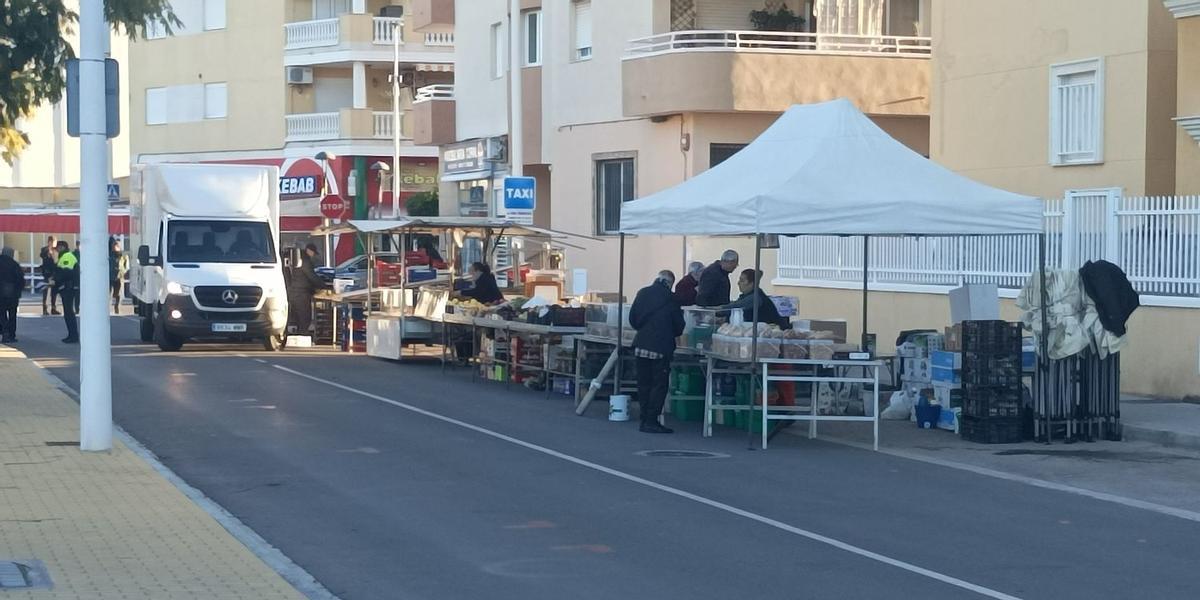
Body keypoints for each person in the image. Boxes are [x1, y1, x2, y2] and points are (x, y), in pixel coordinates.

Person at [629, 270, 686, 434]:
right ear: (670, 283)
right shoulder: (671, 298)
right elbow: (679, 326)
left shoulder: (643, 292)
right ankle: (651, 420)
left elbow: (633, 319)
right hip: (661, 346)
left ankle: (644, 415)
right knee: (659, 384)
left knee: (644, 383)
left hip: (641, 344)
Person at [722, 268, 787, 328]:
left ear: (751, 284)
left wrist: (716, 309)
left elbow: (736, 306)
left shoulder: (755, 297)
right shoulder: (747, 296)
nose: (738, 283)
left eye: (742, 280)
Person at [288, 243, 329, 333]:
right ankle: (302, 335)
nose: (313, 255)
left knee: (298, 318)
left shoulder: (298, 259)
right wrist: (324, 286)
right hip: (301, 293)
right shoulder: (305, 261)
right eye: (313, 253)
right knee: (305, 317)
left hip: (294, 292)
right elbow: (312, 276)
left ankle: (298, 335)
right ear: (309, 251)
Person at [55, 241, 79, 344]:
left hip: (68, 288)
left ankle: (73, 336)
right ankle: (71, 335)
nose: (57, 250)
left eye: (58, 248)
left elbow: (66, 272)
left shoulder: (67, 256)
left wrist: (56, 279)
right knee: (68, 313)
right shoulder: (64, 256)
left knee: (69, 313)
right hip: (67, 288)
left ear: (63, 247)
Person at [0, 247, 25, 343]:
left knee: (1, 314)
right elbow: (21, 280)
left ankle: (4, 332)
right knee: (12, 315)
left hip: (0, 294)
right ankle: (12, 335)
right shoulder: (15, 265)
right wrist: (18, 291)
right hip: (13, 294)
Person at [40, 236, 60, 315]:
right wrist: (48, 250)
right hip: (47, 273)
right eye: (52, 241)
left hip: (54, 273)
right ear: (49, 241)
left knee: (54, 292)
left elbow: (57, 261)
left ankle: (53, 308)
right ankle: (44, 309)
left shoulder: (56, 251)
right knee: (45, 291)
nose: (53, 243)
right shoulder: (44, 249)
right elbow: (42, 255)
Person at [109, 239, 129, 314]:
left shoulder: (123, 256)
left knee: (117, 293)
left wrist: (122, 272)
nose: (116, 247)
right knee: (109, 292)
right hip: (110, 277)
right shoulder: (110, 255)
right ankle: (109, 307)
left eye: (117, 246)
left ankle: (116, 307)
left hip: (118, 277)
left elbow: (126, 266)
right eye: (115, 246)